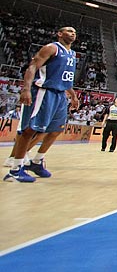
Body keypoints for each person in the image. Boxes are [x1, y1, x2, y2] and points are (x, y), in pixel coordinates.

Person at [4, 27, 80, 183]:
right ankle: (15, 169)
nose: (73, 34)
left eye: (74, 32)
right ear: (60, 33)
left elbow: (64, 78)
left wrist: (73, 95)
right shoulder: (51, 48)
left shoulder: (72, 54)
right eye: (69, 31)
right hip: (44, 92)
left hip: (60, 94)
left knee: (56, 130)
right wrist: (26, 89)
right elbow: (32, 66)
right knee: (30, 130)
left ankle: (37, 162)